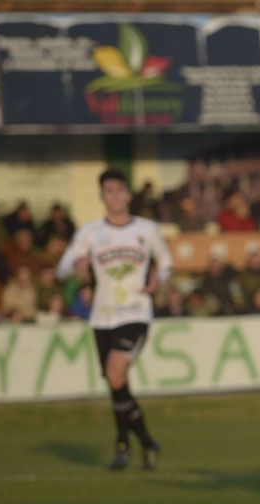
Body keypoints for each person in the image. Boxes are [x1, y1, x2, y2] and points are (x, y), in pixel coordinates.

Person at [56, 168, 173, 470]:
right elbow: (62, 268)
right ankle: (139, 443)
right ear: (101, 196)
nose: (115, 196)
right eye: (109, 191)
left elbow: (166, 262)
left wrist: (158, 277)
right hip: (102, 316)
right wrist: (77, 267)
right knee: (116, 383)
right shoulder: (90, 233)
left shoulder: (147, 229)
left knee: (115, 371)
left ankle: (127, 444)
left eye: (120, 190)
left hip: (135, 311)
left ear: (128, 195)